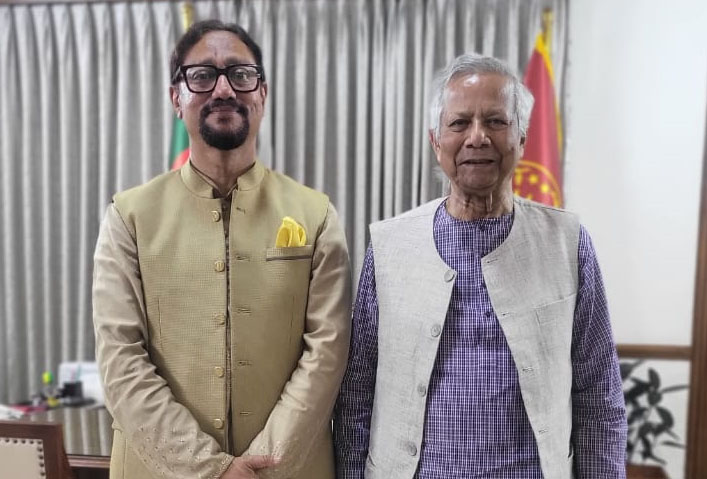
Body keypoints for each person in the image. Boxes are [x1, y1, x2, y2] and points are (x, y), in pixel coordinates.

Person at [333, 53, 627, 479]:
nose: (477, 137)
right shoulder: (389, 246)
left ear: (521, 137)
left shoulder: (567, 243)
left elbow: (599, 397)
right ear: (436, 141)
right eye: (459, 123)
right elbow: (357, 394)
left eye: (495, 121)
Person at [93, 20, 351, 479]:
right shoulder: (128, 217)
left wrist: (264, 463)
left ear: (262, 94)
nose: (224, 89)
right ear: (176, 98)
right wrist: (209, 469)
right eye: (202, 76)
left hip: (286, 470)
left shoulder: (316, 215)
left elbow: (327, 352)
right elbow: (121, 358)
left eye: (241, 74)